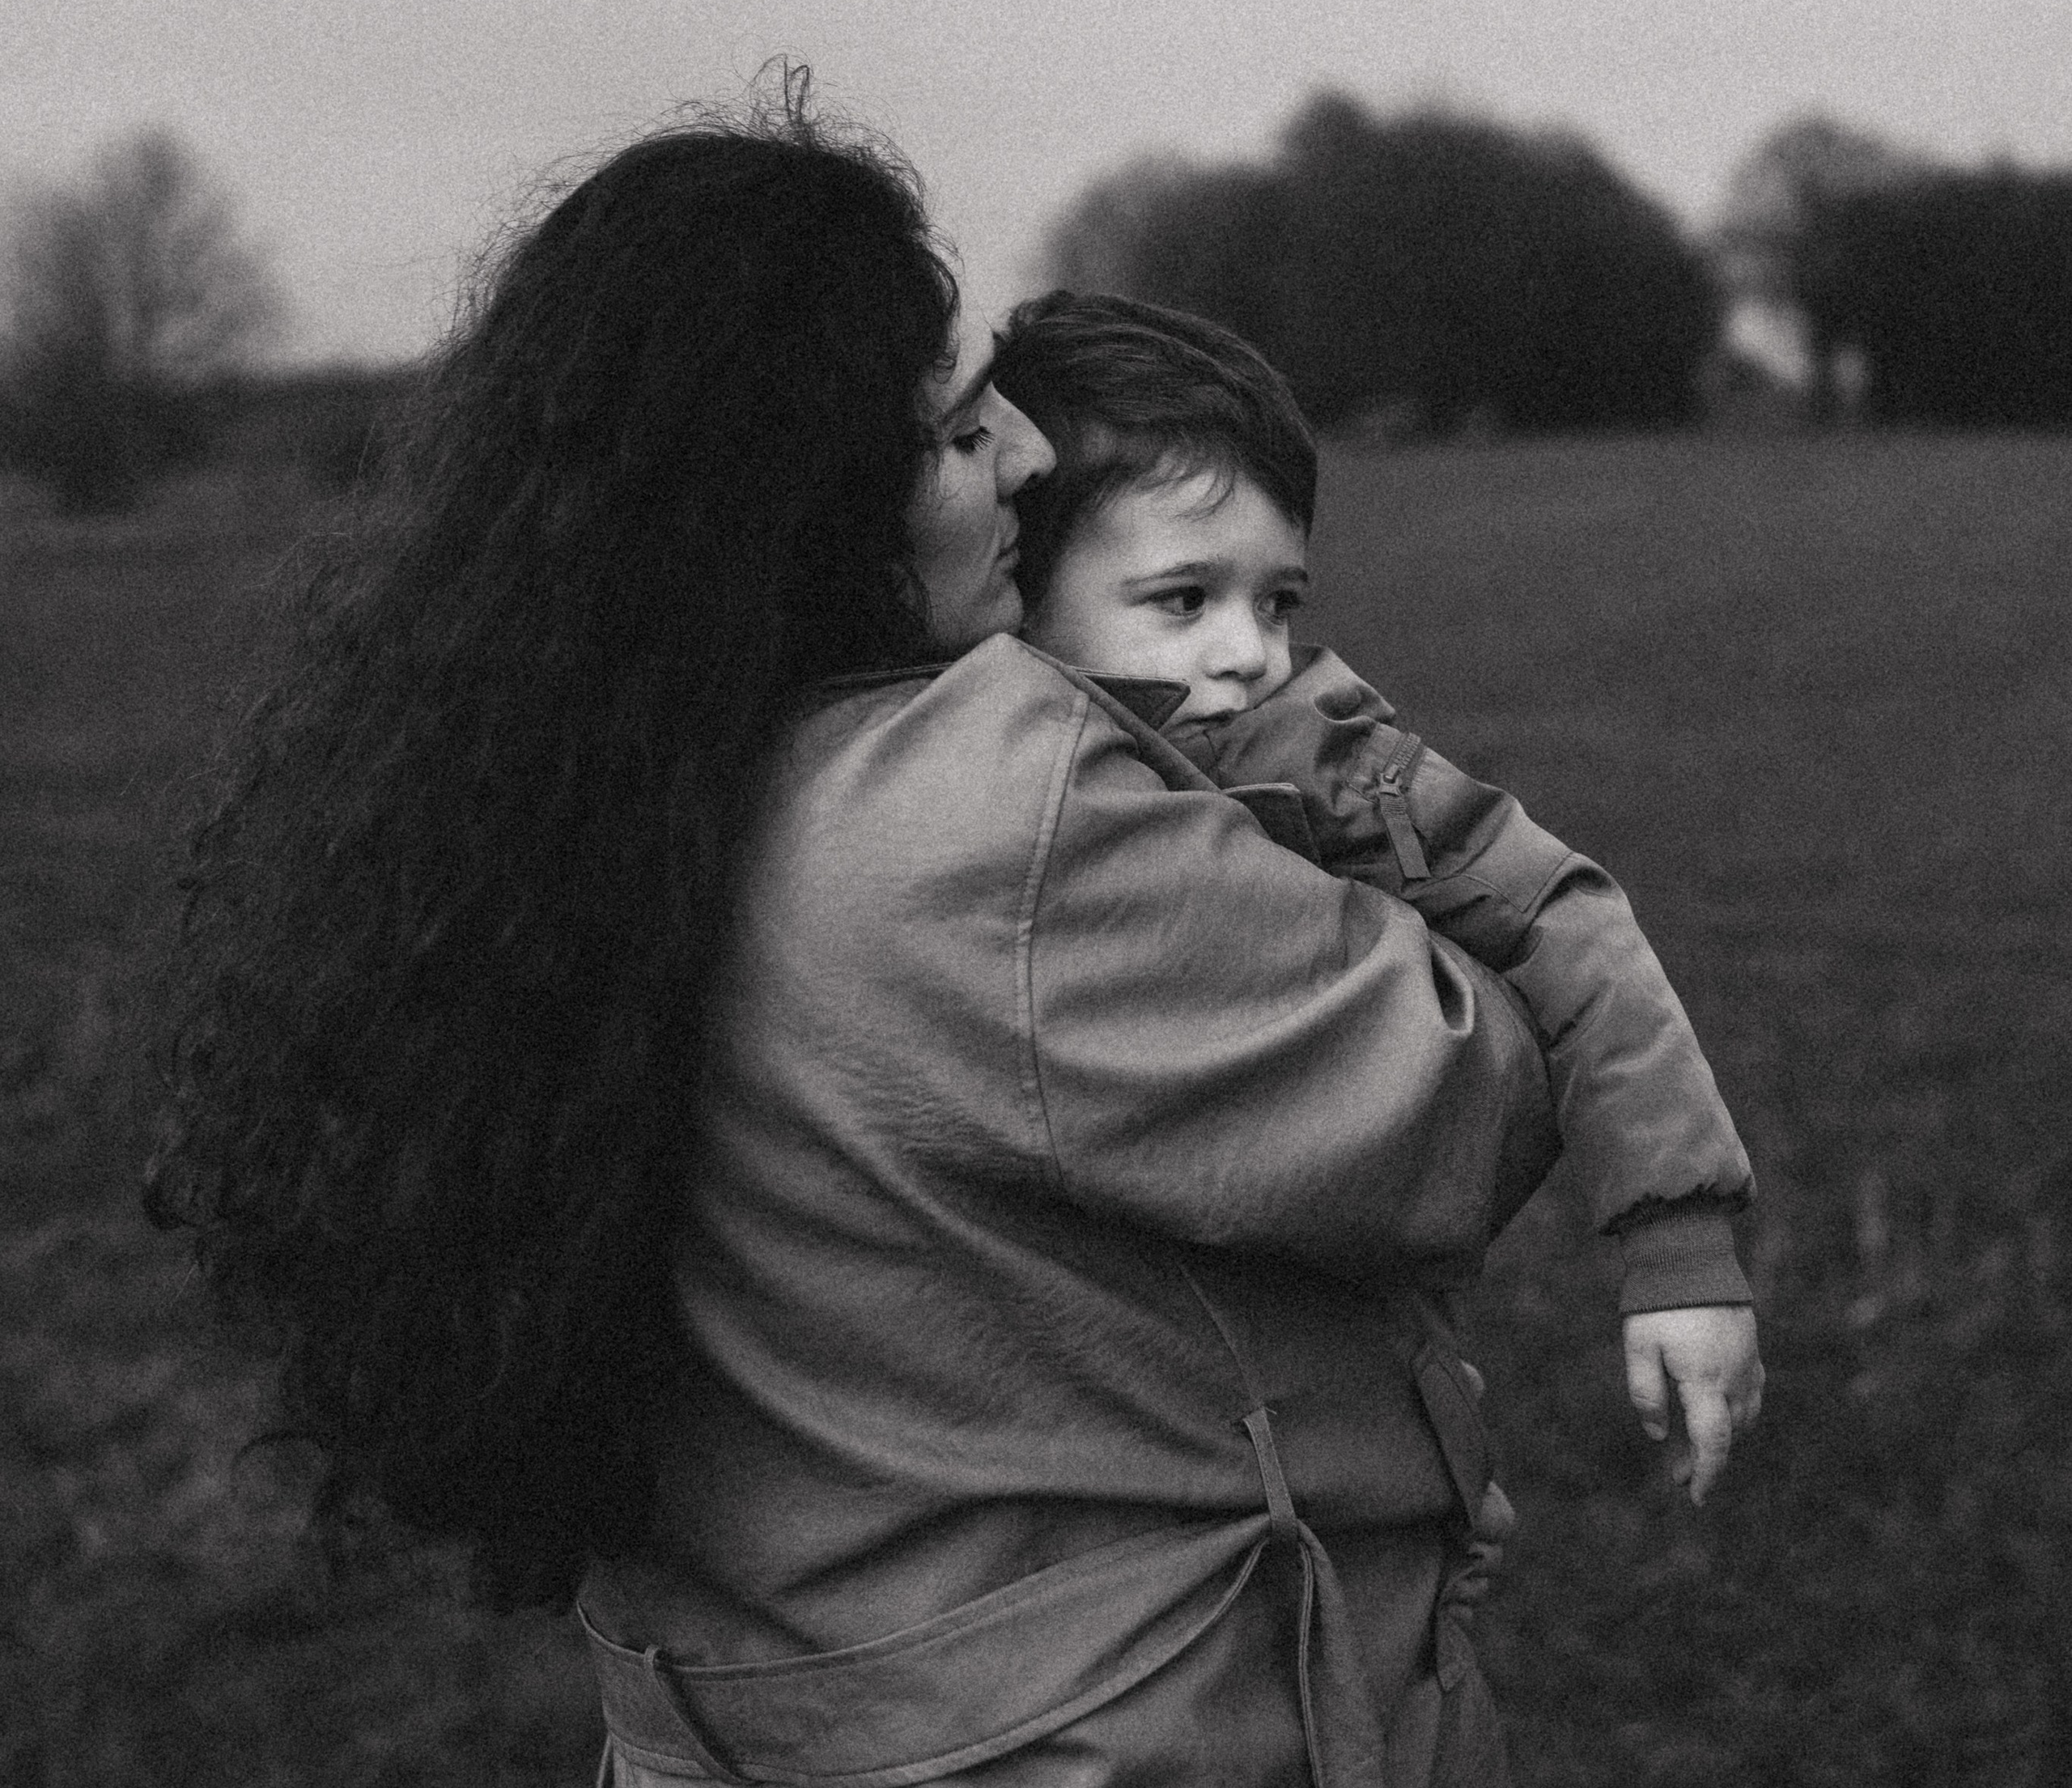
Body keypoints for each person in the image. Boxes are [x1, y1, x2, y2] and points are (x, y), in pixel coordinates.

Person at [149, 96, 1569, 1788]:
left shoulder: (543, 818)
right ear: (812, 502)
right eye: (960, 436)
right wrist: (1318, 815)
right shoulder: (987, 806)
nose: (1031, 462)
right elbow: (1458, 1103)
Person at [991, 289, 1764, 1510]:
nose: (1251, 651)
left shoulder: (1330, 761)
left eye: (1277, 600)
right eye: (1184, 600)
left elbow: (1570, 922)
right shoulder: (955, 782)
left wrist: (1680, 1253)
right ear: (1013, 589)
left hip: (1332, 1367)